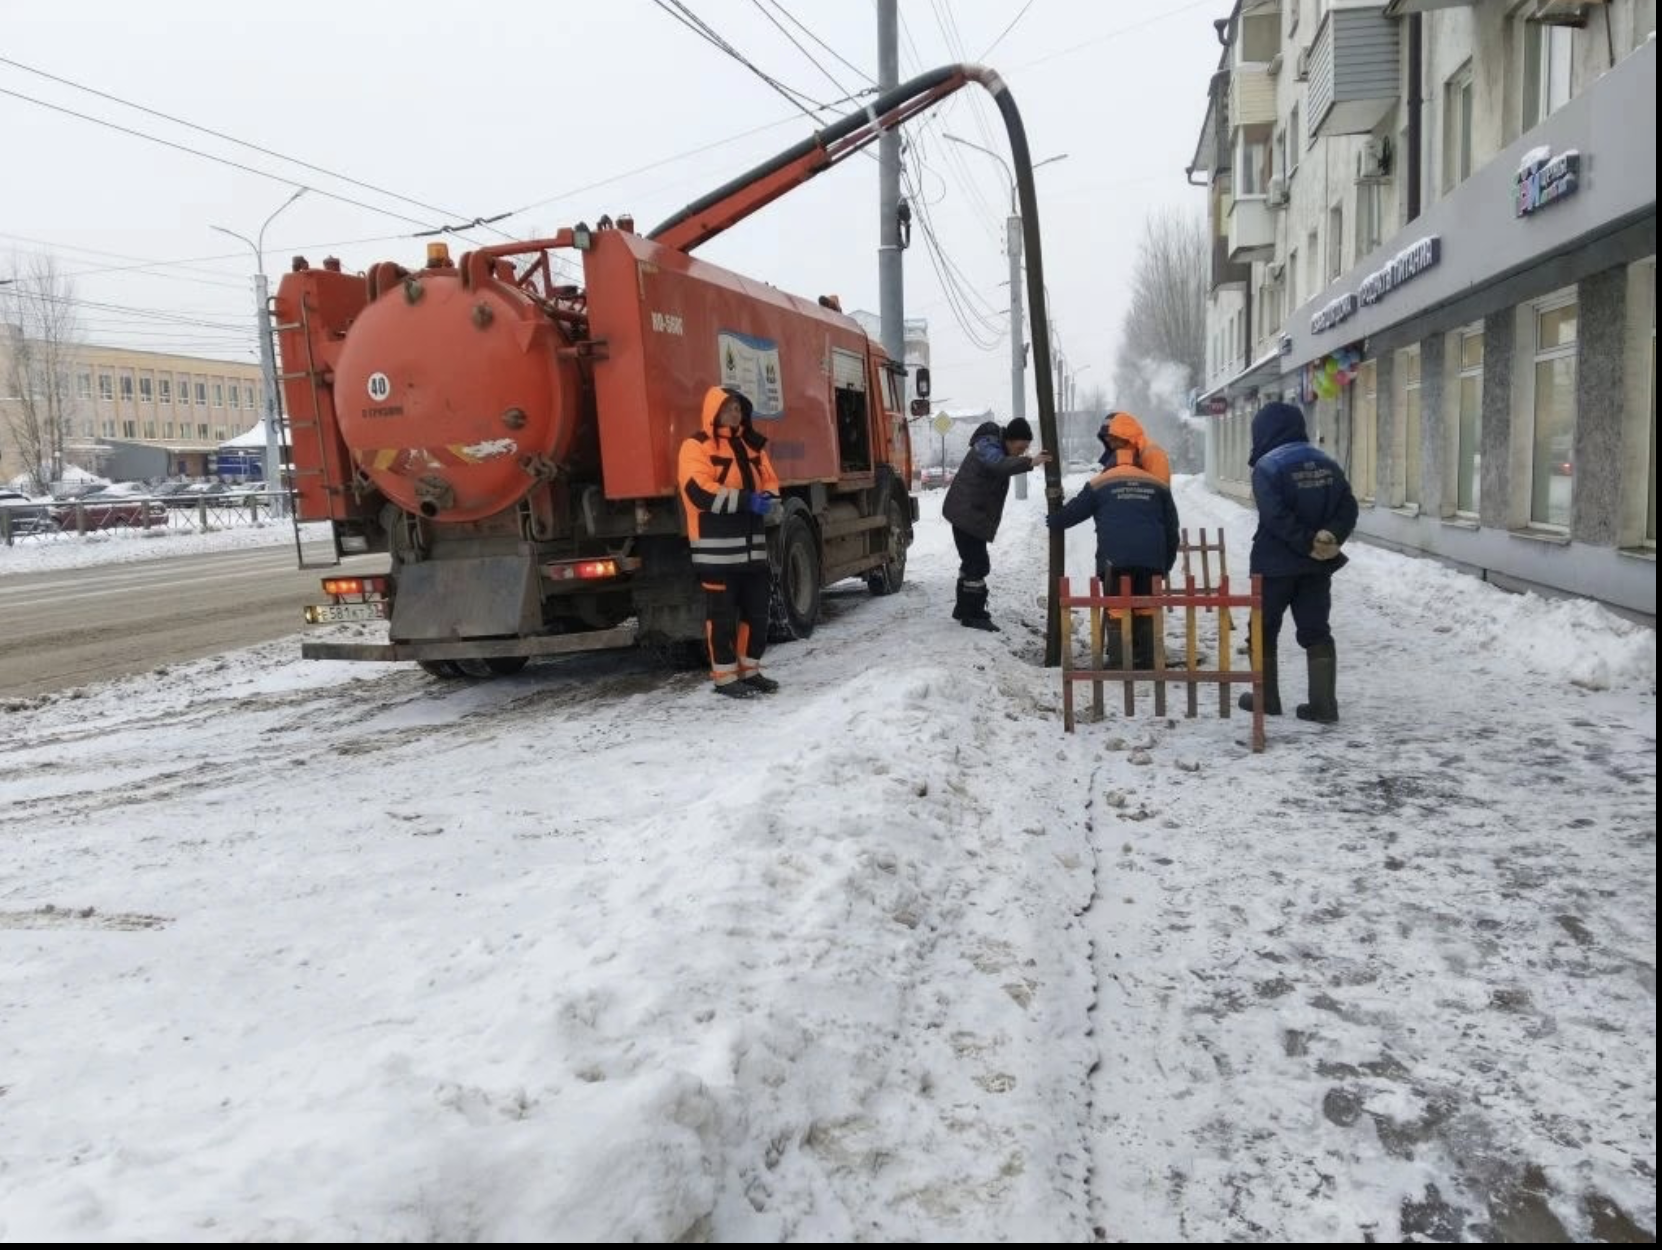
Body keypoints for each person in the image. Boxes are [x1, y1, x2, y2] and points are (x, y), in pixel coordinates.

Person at [1239, 400, 1360, 723]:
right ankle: (1323, 705)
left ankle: (1266, 699)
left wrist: (1305, 543)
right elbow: (1348, 506)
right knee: (1316, 630)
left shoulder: (1267, 467)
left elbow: (1275, 516)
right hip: (1317, 568)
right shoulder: (1327, 462)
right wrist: (1329, 538)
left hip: (1274, 566)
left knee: (1262, 627)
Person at [679, 385, 782, 699]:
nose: (734, 414)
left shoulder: (752, 446)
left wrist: (770, 498)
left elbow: (771, 480)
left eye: (738, 408)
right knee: (722, 616)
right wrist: (744, 501)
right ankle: (724, 678)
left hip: (753, 550)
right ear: (714, 412)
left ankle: (750, 670)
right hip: (716, 552)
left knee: (758, 612)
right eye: (728, 408)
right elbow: (698, 490)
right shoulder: (695, 446)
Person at [1048, 438, 1181, 668]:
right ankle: (1147, 658)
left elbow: (1072, 514)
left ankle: (1121, 658)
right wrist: (1165, 566)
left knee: (1118, 607)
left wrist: (1053, 519)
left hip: (1115, 561)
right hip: (1151, 561)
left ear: (1110, 462)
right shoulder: (1158, 485)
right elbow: (1171, 530)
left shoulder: (1100, 483)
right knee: (1147, 605)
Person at [941, 416, 1053, 631]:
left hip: (969, 515)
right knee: (978, 564)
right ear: (1010, 440)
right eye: (1021, 447)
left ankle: (963, 609)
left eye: (1026, 449)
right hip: (966, 515)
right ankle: (974, 614)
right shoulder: (988, 446)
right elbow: (998, 465)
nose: (1022, 452)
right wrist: (1030, 462)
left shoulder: (995, 447)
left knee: (971, 563)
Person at [1096, 411, 1173, 486]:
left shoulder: (1152, 453)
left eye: (1114, 439)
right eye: (1108, 441)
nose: (1112, 445)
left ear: (1126, 435)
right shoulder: (1116, 454)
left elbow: (1161, 491)